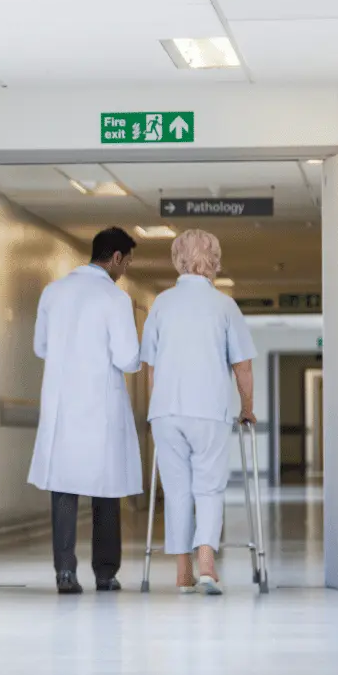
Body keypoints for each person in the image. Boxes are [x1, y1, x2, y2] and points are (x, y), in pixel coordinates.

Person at [140, 229, 257, 595]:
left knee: (176, 491)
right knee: (208, 488)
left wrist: (160, 405)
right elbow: (243, 367)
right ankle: (207, 562)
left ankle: (182, 572)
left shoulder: (161, 303)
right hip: (209, 409)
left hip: (167, 411)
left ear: (178, 259)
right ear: (215, 261)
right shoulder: (225, 306)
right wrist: (247, 408)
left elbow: (151, 367)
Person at [28, 226, 143, 594]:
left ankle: (64, 572)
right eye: (126, 263)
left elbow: (41, 347)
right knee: (105, 491)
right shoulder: (115, 299)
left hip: (63, 404)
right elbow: (127, 359)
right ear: (116, 258)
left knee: (62, 489)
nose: (124, 271)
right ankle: (105, 573)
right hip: (100, 406)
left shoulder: (53, 291)